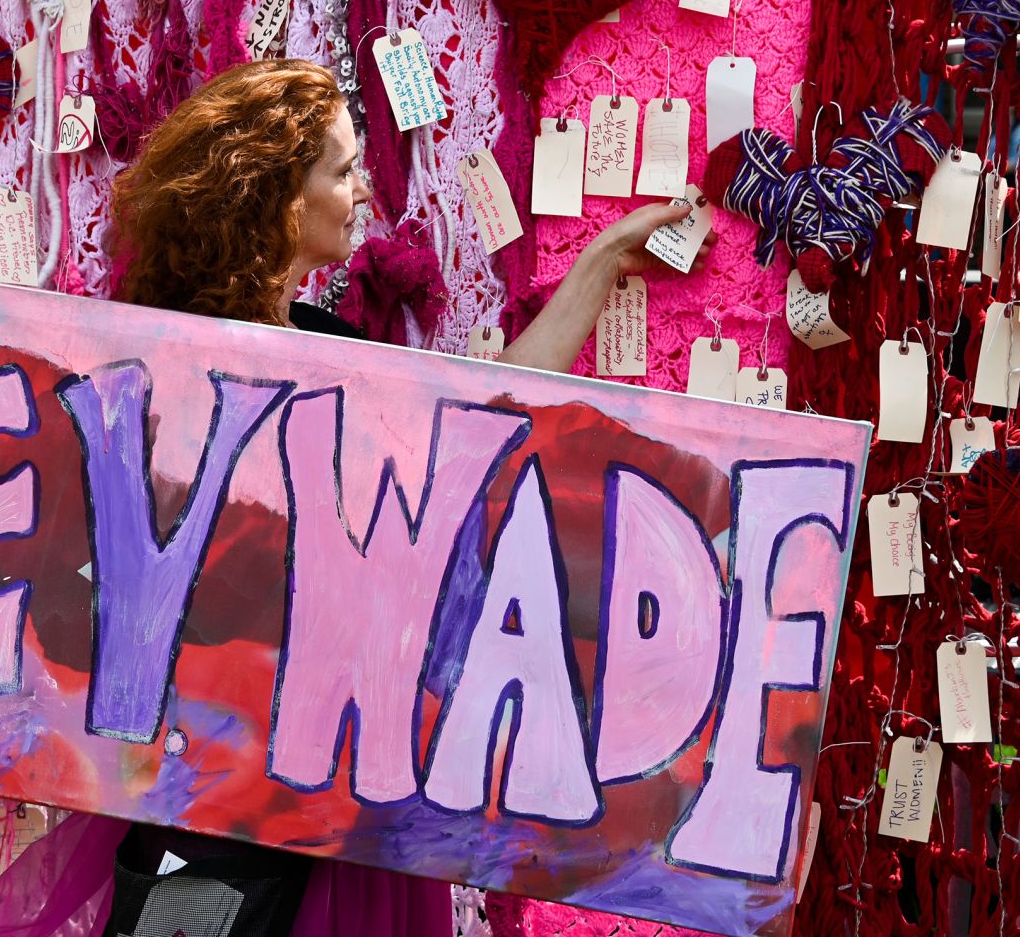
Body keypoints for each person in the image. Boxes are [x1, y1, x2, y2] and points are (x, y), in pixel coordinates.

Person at [99, 58, 712, 936]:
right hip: (211, 799)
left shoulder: (329, 344)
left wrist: (606, 258)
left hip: (340, 789)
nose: (361, 191)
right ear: (277, 194)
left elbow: (487, 405)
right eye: (340, 170)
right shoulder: (167, 358)